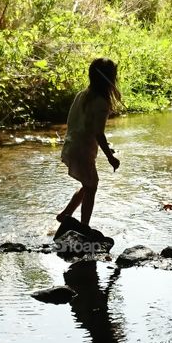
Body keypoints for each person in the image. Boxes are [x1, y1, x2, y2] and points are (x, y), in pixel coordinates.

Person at [57, 58, 121, 227]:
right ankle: (84, 226)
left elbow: (73, 123)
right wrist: (110, 157)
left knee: (88, 184)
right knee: (91, 187)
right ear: (108, 79)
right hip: (83, 150)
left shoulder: (81, 95)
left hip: (71, 145)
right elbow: (98, 133)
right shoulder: (101, 102)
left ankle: (65, 214)